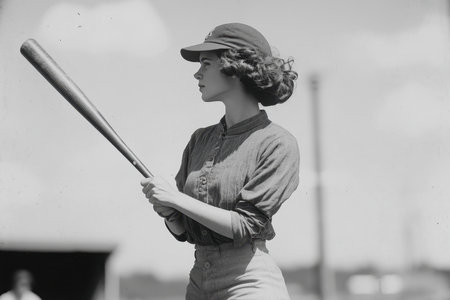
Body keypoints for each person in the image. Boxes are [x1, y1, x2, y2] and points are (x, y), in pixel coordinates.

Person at [141, 23, 299, 300]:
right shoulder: (199, 140)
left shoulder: (277, 142)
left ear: (233, 66)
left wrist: (176, 200)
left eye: (205, 62)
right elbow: (187, 233)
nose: (196, 72)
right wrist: (169, 212)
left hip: (249, 282)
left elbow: (244, 226)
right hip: (199, 281)